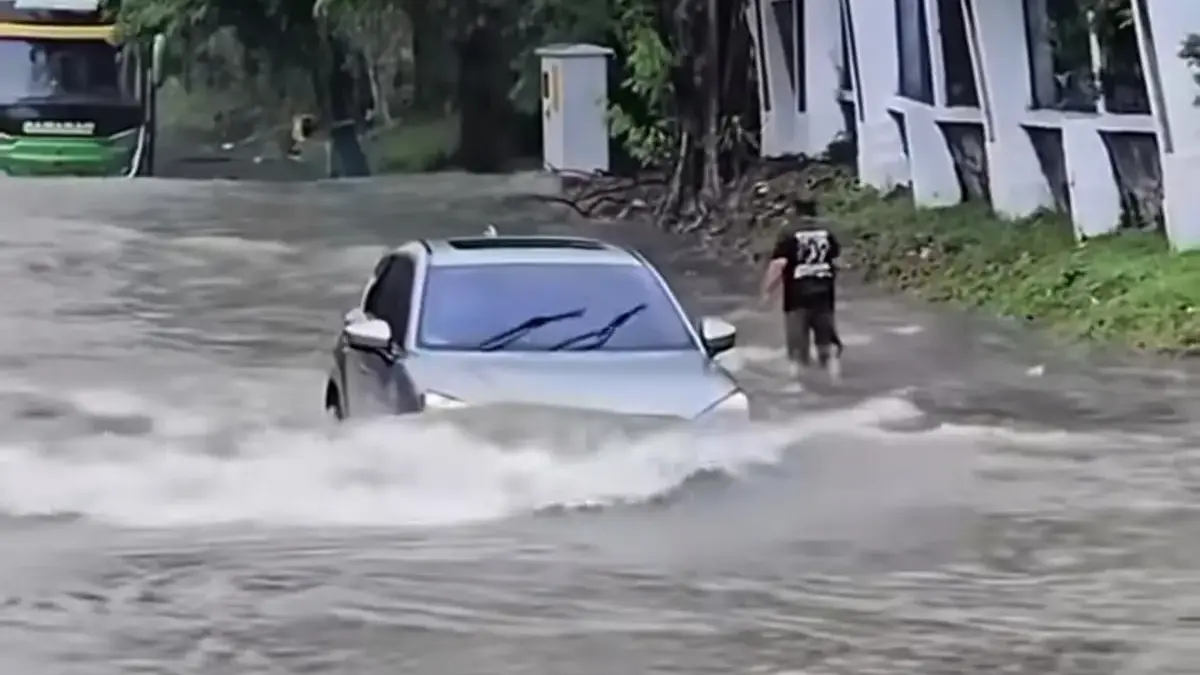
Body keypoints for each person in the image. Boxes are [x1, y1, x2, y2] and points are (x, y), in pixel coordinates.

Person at [759, 199, 843, 381]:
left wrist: (767, 291)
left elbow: (779, 264)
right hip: (824, 293)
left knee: (797, 345)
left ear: (795, 212)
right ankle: (834, 378)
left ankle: (800, 384)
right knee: (826, 342)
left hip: (797, 296)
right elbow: (837, 260)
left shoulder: (789, 232)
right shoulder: (826, 231)